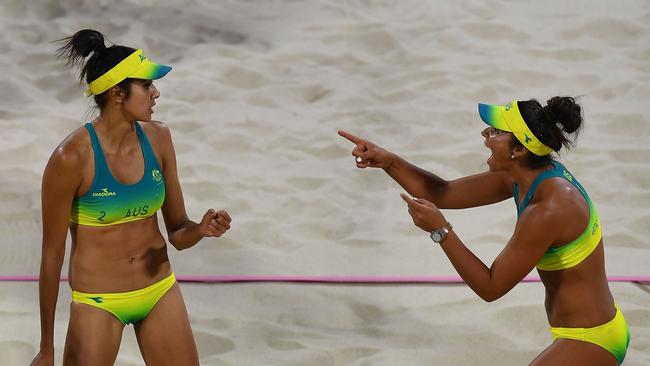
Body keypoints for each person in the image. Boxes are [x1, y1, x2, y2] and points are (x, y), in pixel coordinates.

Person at [339, 97, 630, 365]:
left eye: (494, 132)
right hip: (574, 333)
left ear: (518, 150)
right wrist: (389, 161)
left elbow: (491, 287)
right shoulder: (522, 177)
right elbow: (444, 192)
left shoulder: (549, 209)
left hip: (592, 338)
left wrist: (441, 230)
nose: (485, 136)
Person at [31, 29, 232, 366]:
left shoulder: (159, 139)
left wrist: (200, 229)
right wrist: (46, 348)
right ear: (117, 93)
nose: (156, 92)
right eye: (147, 85)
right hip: (99, 302)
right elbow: (51, 256)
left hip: (159, 291)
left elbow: (178, 233)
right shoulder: (72, 157)